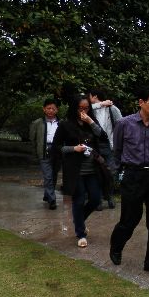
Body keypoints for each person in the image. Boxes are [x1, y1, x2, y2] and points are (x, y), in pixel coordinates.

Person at [109, 88, 149, 275]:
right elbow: (117, 151)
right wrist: (118, 175)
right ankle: (116, 247)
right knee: (130, 219)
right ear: (141, 102)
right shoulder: (124, 124)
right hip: (133, 176)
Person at [51, 95, 104, 248]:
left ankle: (78, 220)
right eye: (80, 108)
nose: (83, 111)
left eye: (86, 108)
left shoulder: (91, 122)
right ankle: (80, 233)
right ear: (74, 108)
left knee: (95, 199)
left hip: (92, 167)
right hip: (75, 169)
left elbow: (102, 136)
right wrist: (73, 148)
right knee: (79, 200)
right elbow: (56, 147)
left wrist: (90, 121)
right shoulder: (65, 125)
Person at [88, 89, 122, 210]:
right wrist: (101, 104)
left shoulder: (112, 109)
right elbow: (83, 110)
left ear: (95, 96)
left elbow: (121, 125)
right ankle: (98, 200)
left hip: (110, 145)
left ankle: (109, 196)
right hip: (95, 145)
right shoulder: (91, 110)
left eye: (89, 96)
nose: (88, 98)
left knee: (111, 172)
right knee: (96, 172)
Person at [29, 98, 60, 210]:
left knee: (54, 175)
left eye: (53, 108)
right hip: (44, 150)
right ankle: (52, 200)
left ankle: (47, 194)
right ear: (44, 109)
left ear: (57, 110)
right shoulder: (37, 123)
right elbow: (32, 139)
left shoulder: (61, 123)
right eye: (48, 108)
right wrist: (35, 154)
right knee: (48, 176)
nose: (51, 110)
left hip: (57, 151)